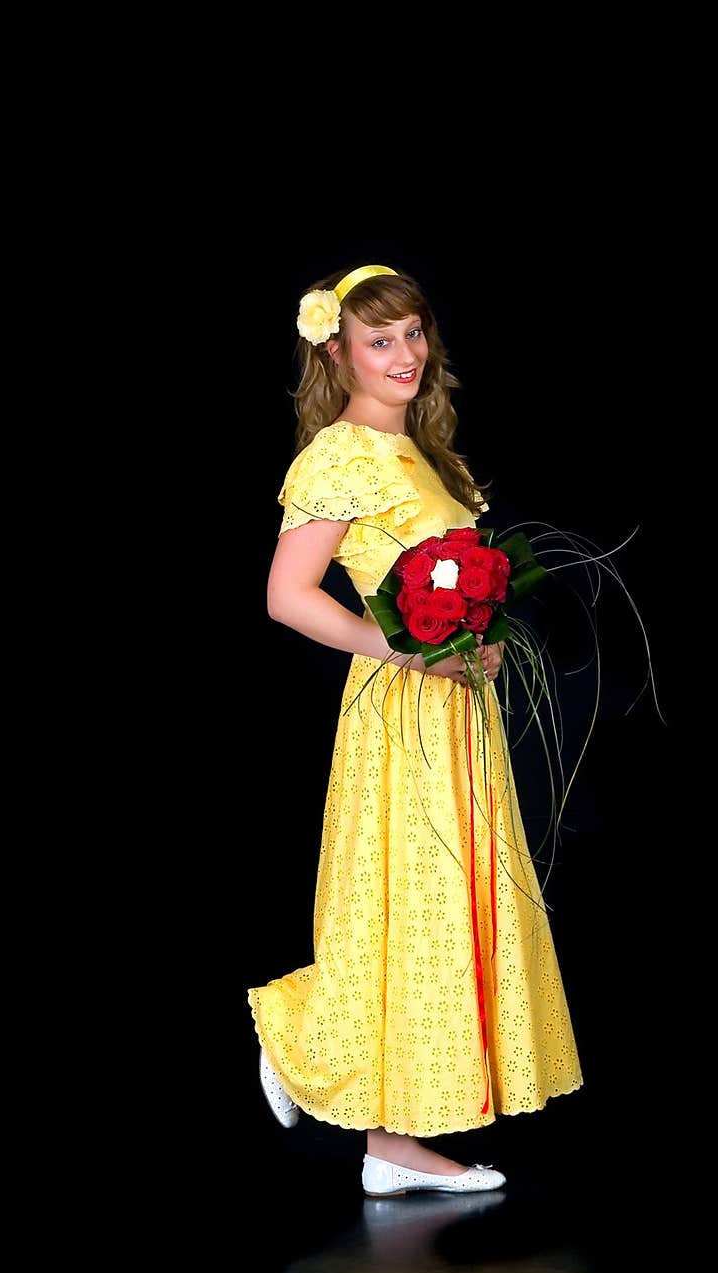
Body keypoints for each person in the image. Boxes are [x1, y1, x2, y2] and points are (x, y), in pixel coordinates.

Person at [247, 264, 583, 1198]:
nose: (403, 354)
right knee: (399, 902)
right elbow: (286, 596)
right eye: (379, 339)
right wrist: (401, 653)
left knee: (434, 915)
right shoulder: (342, 453)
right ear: (340, 351)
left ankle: (390, 1145)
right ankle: (299, 1033)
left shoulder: (421, 452)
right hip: (401, 715)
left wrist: (473, 644)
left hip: (455, 711)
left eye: (412, 333)